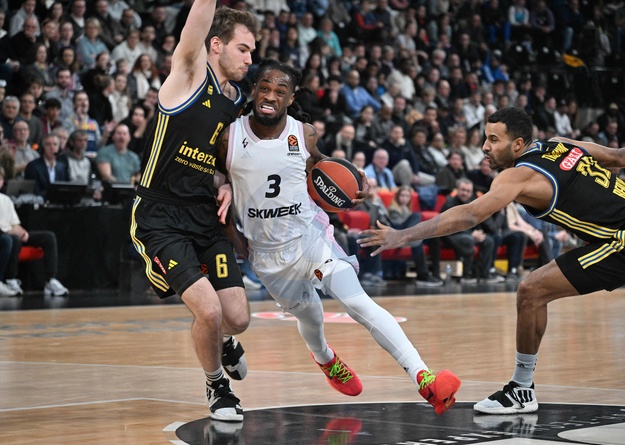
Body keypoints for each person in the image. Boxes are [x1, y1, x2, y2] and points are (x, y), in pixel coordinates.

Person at [359, 107, 625, 414]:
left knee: (531, 291)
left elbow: (470, 214)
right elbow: (619, 156)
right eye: (485, 138)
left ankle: (521, 389)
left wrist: (404, 234)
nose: (485, 147)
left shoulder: (519, 176)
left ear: (518, 144)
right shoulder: (560, 144)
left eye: (494, 140)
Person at [221, 59, 461, 416]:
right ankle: (325, 358)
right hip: (267, 254)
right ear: (254, 90)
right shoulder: (229, 137)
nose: (270, 96)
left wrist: (356, 179)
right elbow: (216, 187)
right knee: (311, 318)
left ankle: (423, 378)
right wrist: (234, 237)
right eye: (265, 88)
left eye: (280, 91)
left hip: (311, 237)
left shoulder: (303, 133)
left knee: (358, 302)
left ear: (290, 99)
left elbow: (321, 164)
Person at [129, 3, 260, 422]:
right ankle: (216, 384)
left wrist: (226, 184)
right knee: (209, 311)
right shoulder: (188, 75)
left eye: (252, 51)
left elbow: (218, 164)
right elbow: (199, 16)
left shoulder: (236, 102)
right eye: (242, 49)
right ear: (215, 45)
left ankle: (222, 340)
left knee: (237, 318)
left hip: (204, 216)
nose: (249, 59)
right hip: (161, 216)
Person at [0, 167, 69, 297]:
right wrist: (10, 231)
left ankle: (50, 280)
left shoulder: (6, 200)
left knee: (48, 237)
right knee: (11, 239)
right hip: (4, 235)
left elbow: (15, 223)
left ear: (3, 181)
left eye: (0, 178)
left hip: (10, 232)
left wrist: (22, 232)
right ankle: (10, 280)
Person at [24, 133, 70, 197]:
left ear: (58, 148)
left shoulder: (62, 167)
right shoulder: (33, 166)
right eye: (48, 144)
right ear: (43, 147)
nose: (52, 148)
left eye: (55, 144)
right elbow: (33, 190)